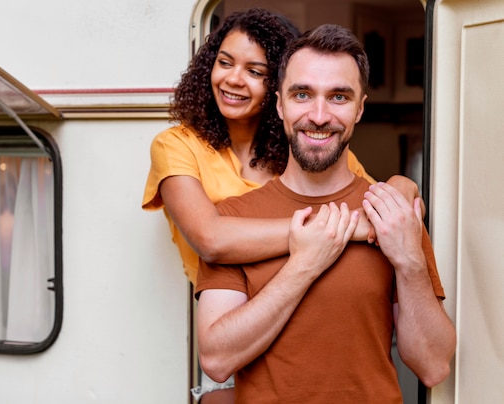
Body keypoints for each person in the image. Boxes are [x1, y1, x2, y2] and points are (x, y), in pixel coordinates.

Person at [142, 9, 422, 403]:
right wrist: (336, 233)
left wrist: (403, 184)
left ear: (277, 92)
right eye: (224, 63)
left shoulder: (306, 148)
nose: (234, 79)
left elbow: (376, 200)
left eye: (254, 71)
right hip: (231, 324)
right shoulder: (177, 145)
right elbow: (212, 238)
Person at [194, 24, 456, 403]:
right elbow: (217, 360)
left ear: (359, 109)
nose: (319, 115)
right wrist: (305, 265)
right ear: (280, 105)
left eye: (338, 97)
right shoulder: (236, 217)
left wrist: (409, 261)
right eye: (303, 94)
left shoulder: (392, 213)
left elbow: (433, 365)